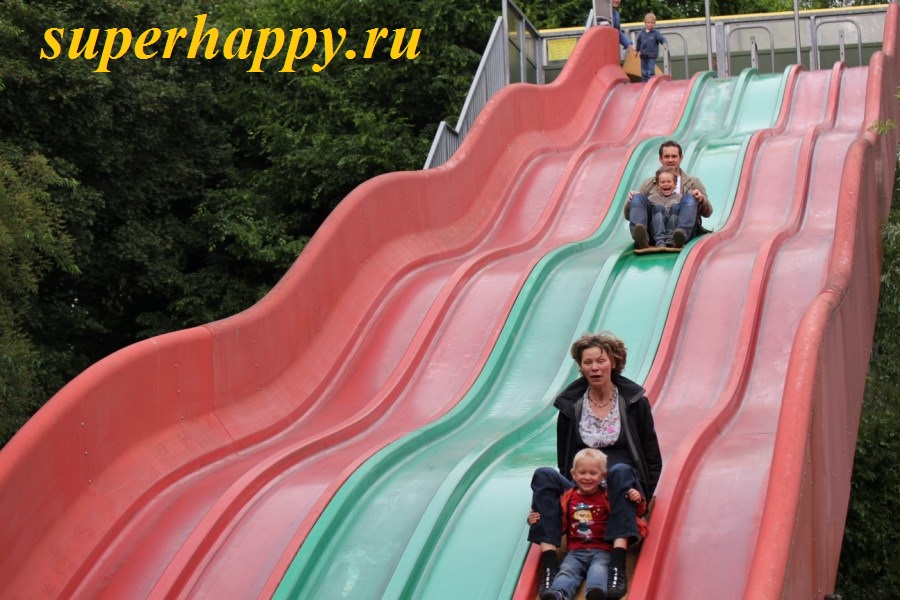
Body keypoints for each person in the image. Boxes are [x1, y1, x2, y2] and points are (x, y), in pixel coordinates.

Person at [527, 332, 662, 600]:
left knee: (619, 471)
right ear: (581, 366)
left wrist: (643, 496)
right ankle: (550, 564)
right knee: (543, 475)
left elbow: (651, 453)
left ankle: (617, 563)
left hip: (620, 484)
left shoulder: (633, 402)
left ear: (613, 362)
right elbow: (565, 458)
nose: (594, 368)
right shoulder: (572, 405)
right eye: (588, 362)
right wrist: (568, 498)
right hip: (585, 481)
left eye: (600, 361)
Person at [529, 448, 647, 600]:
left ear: (603, 476)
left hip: (602, 550)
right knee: (567, 570)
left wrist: (637, 498)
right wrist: (533, 519)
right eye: (582, 473)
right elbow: (551, 513)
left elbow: (632, 512)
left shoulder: (607, 495)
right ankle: (558, 592)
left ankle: (596, 591)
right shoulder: (568, 497)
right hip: (576, 552)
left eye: (593, 473)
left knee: (599, 570)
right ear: (573, 474)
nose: (587, 477)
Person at [624, 140, 713, 250]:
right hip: (655, 230)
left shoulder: (693, 182)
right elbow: (628, 216)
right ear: (660, 159)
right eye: (667, 156)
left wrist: (701, 199)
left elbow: (708, 212)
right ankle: (641, 239)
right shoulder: (649, 184)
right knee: (637, 197)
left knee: (690, 198)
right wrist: (632, 200)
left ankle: (680, 235)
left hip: (682, 229)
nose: (670, 160)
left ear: (681, 158)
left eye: (674, 156)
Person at [642, 166, 682, 248]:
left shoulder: (680, 198)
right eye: (662, 182)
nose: (666, 184)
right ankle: (660, 240)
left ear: (675, 184)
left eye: (669, 181)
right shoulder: (652, 198)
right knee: (659, 208)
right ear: (658, 185)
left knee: (675, 207)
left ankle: (671, 238)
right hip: (656, 229)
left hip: (673, 227)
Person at [635, 13, 667, 82]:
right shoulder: (641, 33)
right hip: (643, 55)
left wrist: (664, 43)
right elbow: (638, 41)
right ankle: (644, 84)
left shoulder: (655, 33)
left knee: (650, 71)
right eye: (648, 22)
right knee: (644, 72)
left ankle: (651, 83)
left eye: (652, 23)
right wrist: (637, 50)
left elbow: (662, 39)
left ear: (654, 23)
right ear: (645, 23)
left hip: (651, 56)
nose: (650, 24)